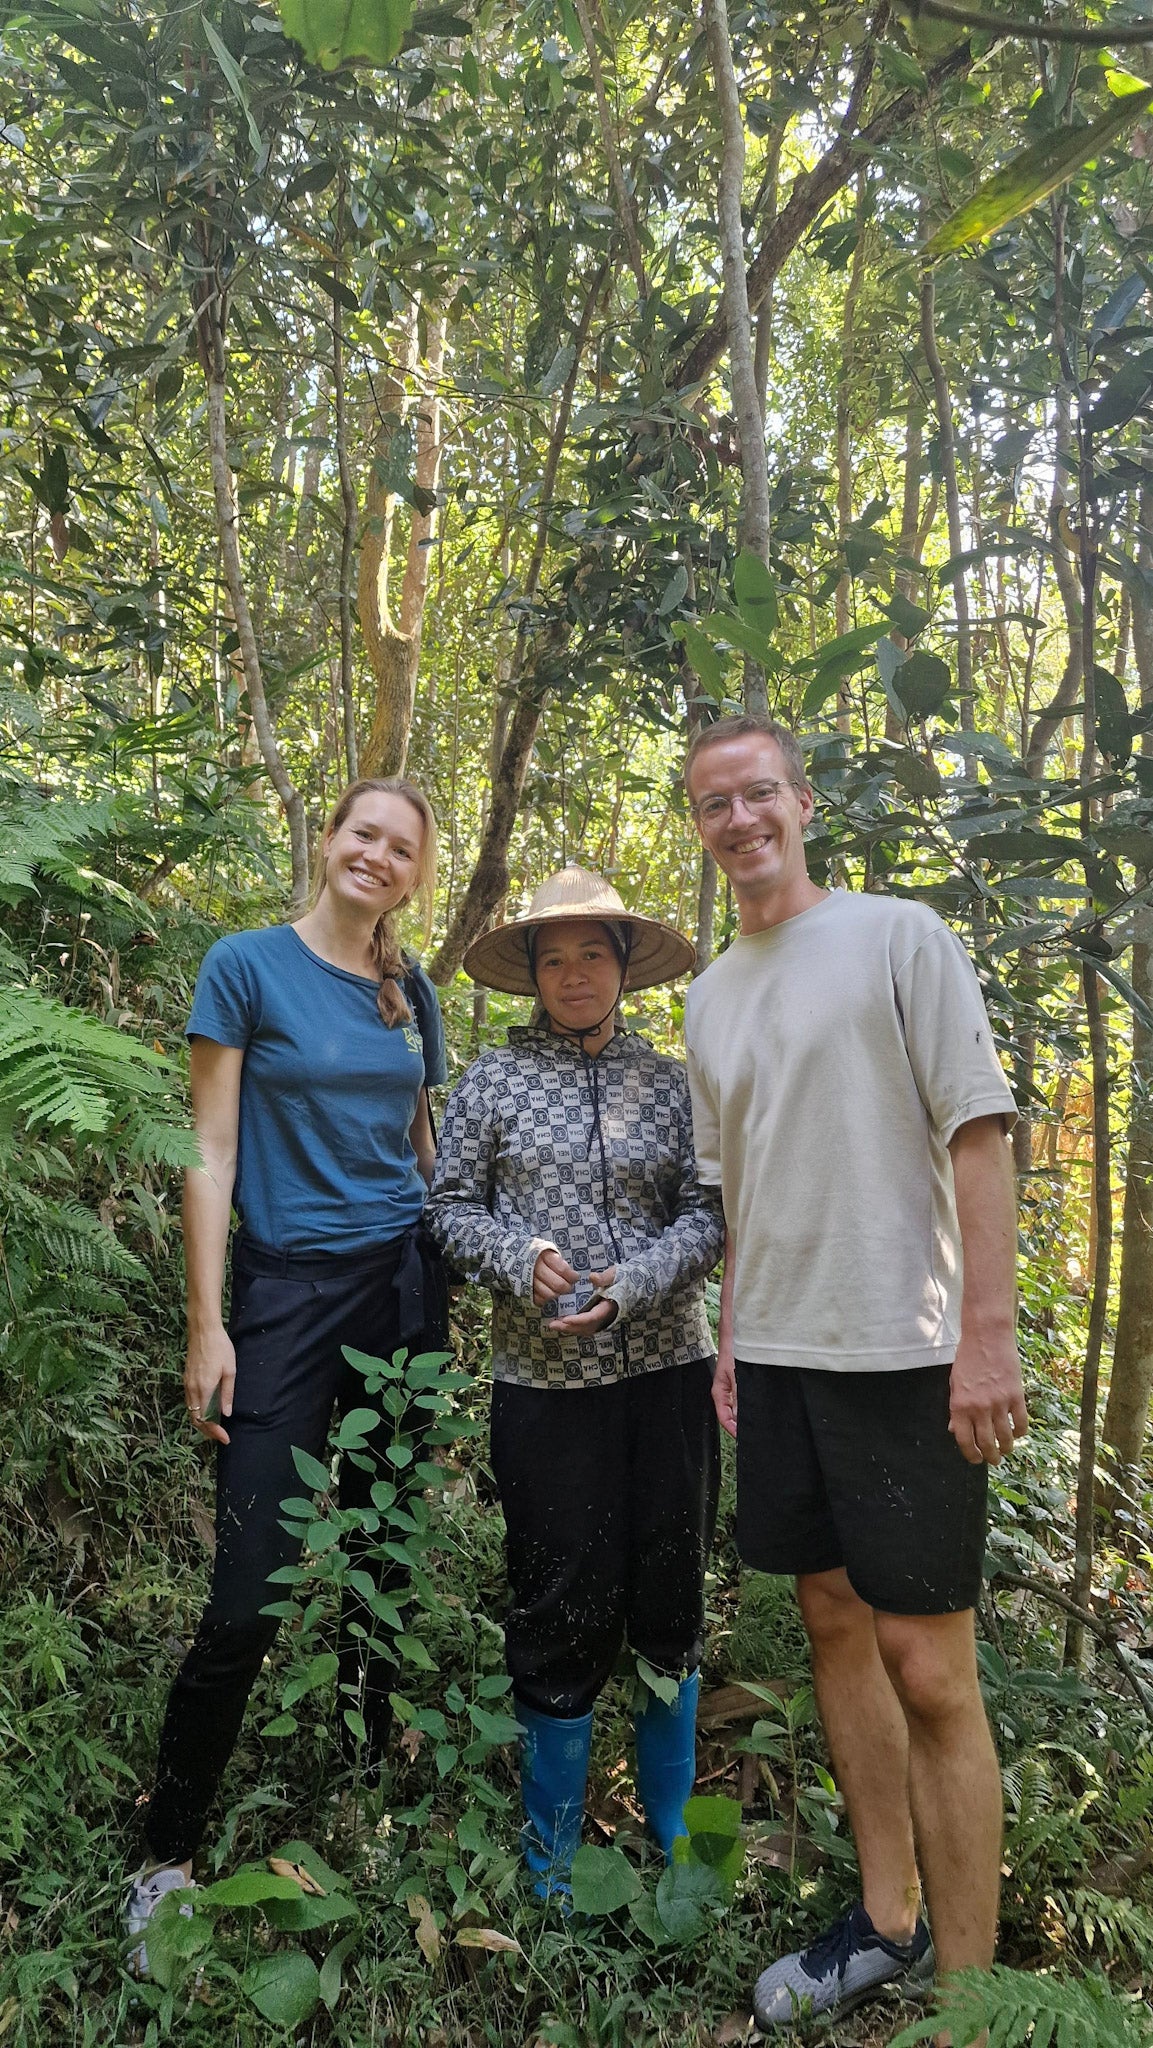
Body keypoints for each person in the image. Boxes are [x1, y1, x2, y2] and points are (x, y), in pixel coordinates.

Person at [682, 714, 1027, 2030]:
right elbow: (737, 1192)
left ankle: (974, 1997)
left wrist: (985, 1337)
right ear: (702, 828)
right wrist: (726, 1346)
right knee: (828, 1616)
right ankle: (886, 1918)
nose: (739, 820)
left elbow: (978, 1130)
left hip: (904, 1349)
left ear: (802, 799)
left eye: (756, 792)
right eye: (713, 804)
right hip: (773, 1352)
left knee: (930, 1664)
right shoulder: (710, 991)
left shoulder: (899, 937)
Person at [124, 776, 447, 1972]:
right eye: (363, 832)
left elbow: (425, 1144)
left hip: (402, 1286)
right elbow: (209, 1150)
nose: (377, 853)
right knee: (249, 1583)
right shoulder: (247, 965)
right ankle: (166, 1855)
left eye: (401, 846)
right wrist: (207, 1322)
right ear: (327, 840)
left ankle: (368, 1776)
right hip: (286, 1293)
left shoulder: (407, 990)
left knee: (377, 1537)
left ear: (415, 874)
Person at [425, 865, 724, 1894]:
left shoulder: (675, 1080)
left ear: (624, 963)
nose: (572, 972)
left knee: (670, 1585)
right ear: (531, 977)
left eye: (592, 952)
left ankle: (676, 1838)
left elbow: (709, 1213)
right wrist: (520, 1255)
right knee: (558, 1593)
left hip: (668, 1374)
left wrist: (636, 1279)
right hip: (545, 1388)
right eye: (552, 958)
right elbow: (450, 1206)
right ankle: (552, 1857)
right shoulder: (492, 1083)